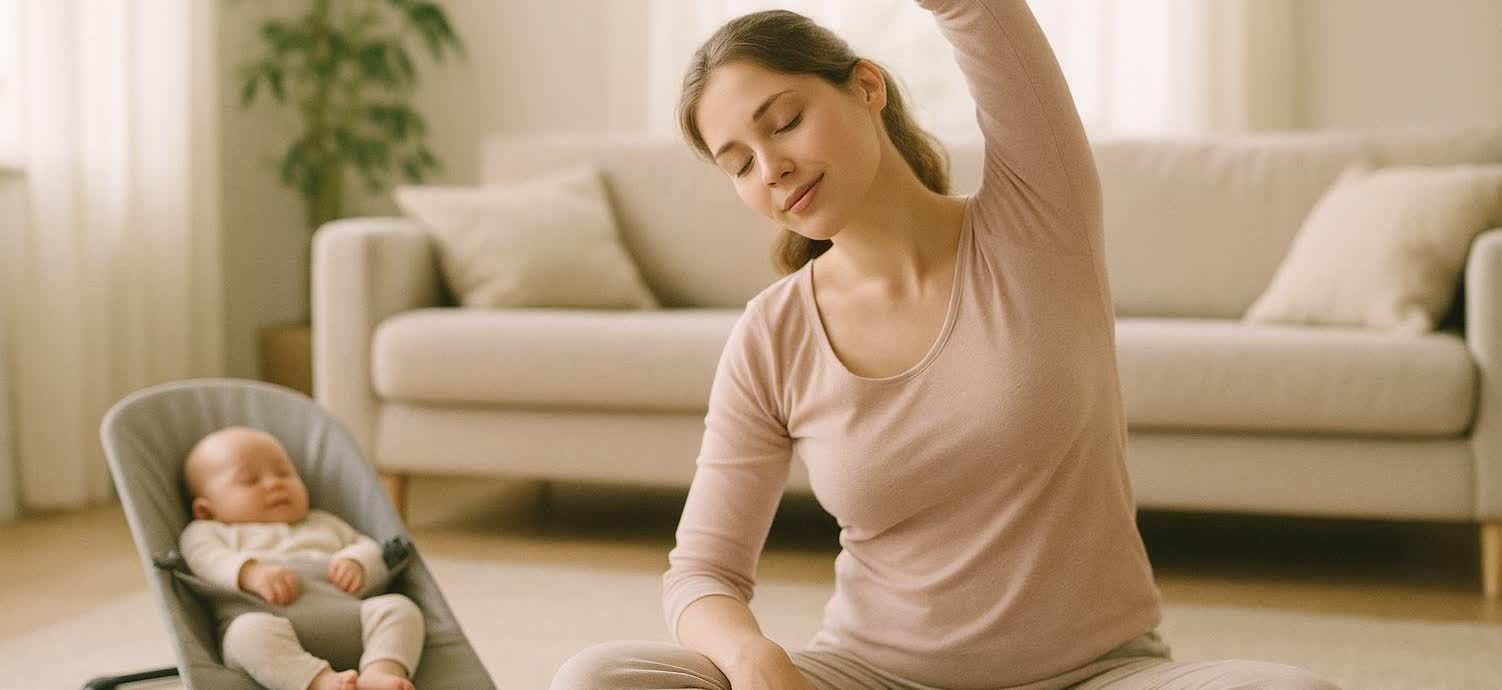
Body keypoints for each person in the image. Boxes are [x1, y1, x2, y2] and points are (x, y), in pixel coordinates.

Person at [553, 1, 1342, 688]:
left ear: (867, 87)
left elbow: (981, 11)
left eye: (784, 122)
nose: (772, 169)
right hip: (867, 675)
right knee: (599, 678)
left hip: (1099, 676)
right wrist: (754, 657)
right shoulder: (772, 334)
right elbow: (702, 573)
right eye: (739, 164)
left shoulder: (1039, 223)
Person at [179, 426, 423, 690]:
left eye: (284, 473)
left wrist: (357, 562)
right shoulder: (210, 531)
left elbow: (372, 549)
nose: (274, 483)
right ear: (206, 510)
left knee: (400, 609)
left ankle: (379, 672)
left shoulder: (324, 523)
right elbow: (203, 558)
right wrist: (250, 572)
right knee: (245, 634)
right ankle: (318, 682)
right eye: (249, 480)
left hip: (349, 619)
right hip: (268, 624)